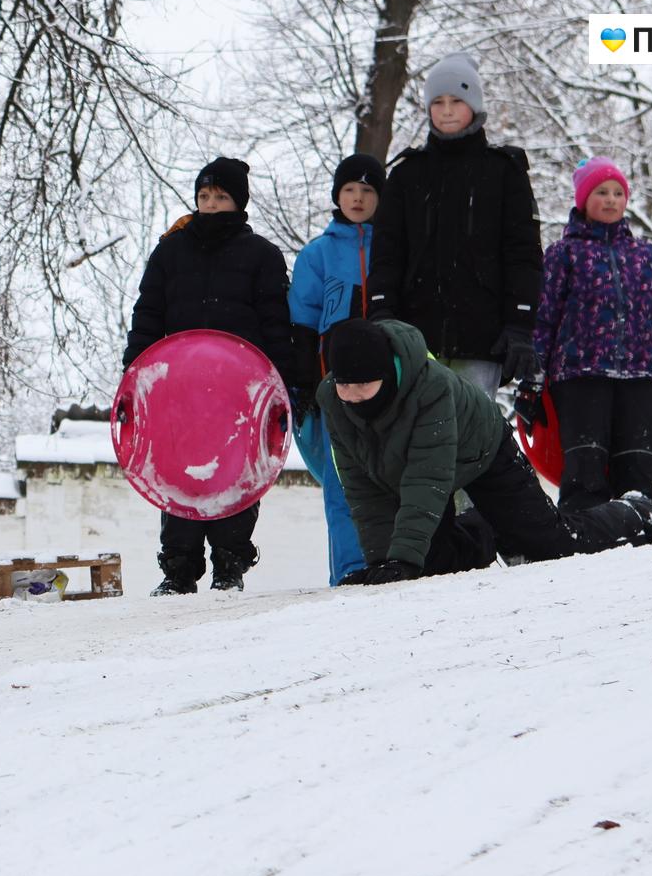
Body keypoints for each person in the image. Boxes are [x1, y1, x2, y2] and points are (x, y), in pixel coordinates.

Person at [316, 318, 652, 585]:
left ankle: (637, 511)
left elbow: (427, 480)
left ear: (388, 373)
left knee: (554, 546)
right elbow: (361, 485)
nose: (352, 396)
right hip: (421, 472)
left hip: (482, 452)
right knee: (430, 564)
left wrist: (401, 558)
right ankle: (486, 530)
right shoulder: (333, 401)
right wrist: (384, 563)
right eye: (344, 386)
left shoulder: (431, 390)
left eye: (363, 385)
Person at [122, 156, 298, 595]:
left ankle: (230, 564)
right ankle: (179, 569)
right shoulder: (170, 250)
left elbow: (276, 324)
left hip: (238, 390)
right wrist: (135, 377)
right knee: (177, 471)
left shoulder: (263, 255)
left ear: (238, 202)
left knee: (236, 472)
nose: (211, 204)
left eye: (221, 197)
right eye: (204, 196)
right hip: (177, 390)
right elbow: (148, 316)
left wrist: (283, 386)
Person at [366, 52, 544, 401]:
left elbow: (522, 254)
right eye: (438, 101)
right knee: (419, 440)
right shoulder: (406, 174)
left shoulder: (504, 172)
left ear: (474, 106)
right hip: (414, 337)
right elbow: (387, 251)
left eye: (457, 100)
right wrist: (382, 310)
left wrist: (520, 324)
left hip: (482, 335)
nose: (446, 110)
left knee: (470, 441)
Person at [518, 157, 652, 513]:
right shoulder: (564, 254)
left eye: (618, 192)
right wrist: (531, 385)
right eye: (601, 192)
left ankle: (644, 527)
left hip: (639, 375)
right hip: (581, 377)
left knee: (639, 468)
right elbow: (544, 322)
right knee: (585, 468)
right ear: (583, 199)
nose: (611, 199)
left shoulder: (647, 257)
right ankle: (585, 532)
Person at [288, 152, 385, 585]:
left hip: (388, 380)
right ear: (337, 195)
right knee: (342, 478)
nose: (358, 198)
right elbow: (303, 319)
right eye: (350, 189)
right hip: (335, 383)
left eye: (367, 190)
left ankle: (393, 560)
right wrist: (306, 378)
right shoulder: (318, 253)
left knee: (388, 472)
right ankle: (350, 568)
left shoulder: (392, 247)